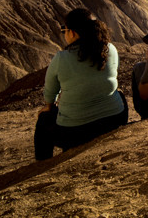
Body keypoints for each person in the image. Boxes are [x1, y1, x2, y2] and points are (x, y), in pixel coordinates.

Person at [34, 8, 128, 160]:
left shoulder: (61, 58)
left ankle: (42, 163)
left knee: (44, 119)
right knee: (120, 95)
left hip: (75, 133)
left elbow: (50, 95)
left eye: (64, 30)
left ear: (72, 33)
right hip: (113, 121)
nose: (64, 34)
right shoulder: (110, 49)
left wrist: (49, 107)